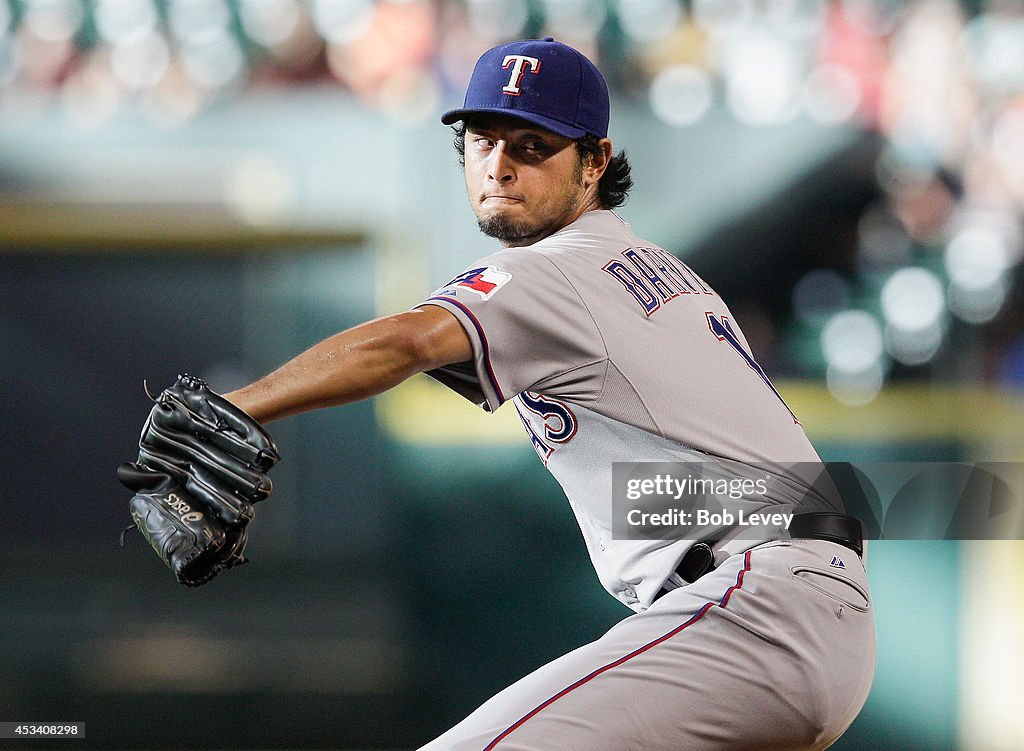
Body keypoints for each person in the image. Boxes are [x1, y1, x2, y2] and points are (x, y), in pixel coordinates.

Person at [225, 38, 875, 751]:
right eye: (482, 141)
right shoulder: (652, 267)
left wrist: (238, 408)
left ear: (594, 162)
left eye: (533, 145)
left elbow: (404, 343)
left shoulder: (557, 270)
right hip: (804, 607)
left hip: (753, 607)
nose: (499, 164)